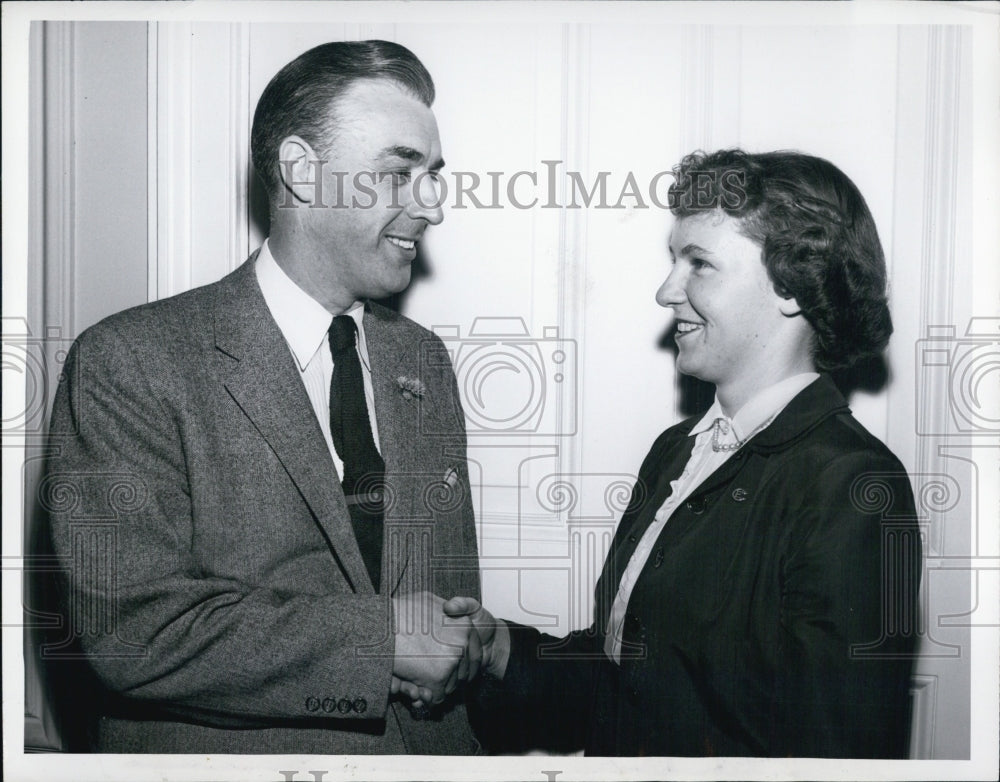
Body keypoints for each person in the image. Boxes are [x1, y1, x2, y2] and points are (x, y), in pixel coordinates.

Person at [43, 40, 482, 754]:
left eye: (433, 176)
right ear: (302, 172)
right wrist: (383, 642)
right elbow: (133, 633)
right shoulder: (129, 362)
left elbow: (451, 610)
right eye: (400, 172)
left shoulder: (422, 362)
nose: (432, 205)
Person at [450, 149, 922, 757]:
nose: (666, 290)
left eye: (699, 263)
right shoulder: (677, 452)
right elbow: (625, 683)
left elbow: (834, 755)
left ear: (791, 285)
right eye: (675, 260)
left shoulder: (854, 484)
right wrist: (498, 648)